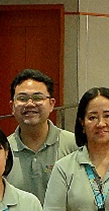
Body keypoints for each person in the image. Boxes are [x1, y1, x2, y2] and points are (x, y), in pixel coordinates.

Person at [4, 69, 76, 203]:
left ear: (51, 104)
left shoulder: (74, 145)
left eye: (38, 98)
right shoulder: (3, 151)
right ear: (12, 106)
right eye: (22, 98)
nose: (30, 104)